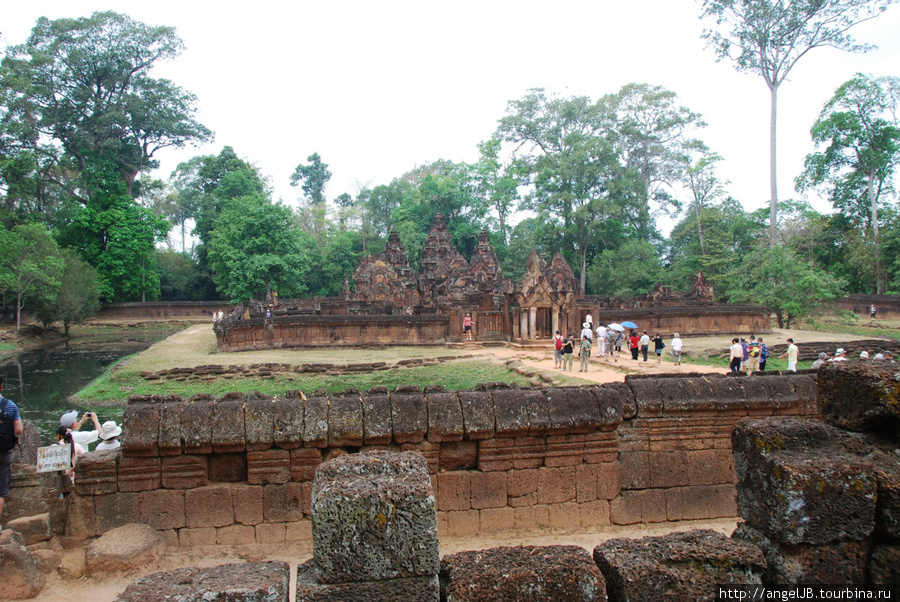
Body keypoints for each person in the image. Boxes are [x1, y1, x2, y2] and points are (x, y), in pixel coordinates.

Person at [1, 376, 24, 524]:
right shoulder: (9, 405)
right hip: (4, 452)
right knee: (1, 491)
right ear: (1, 387)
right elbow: (19, 429)